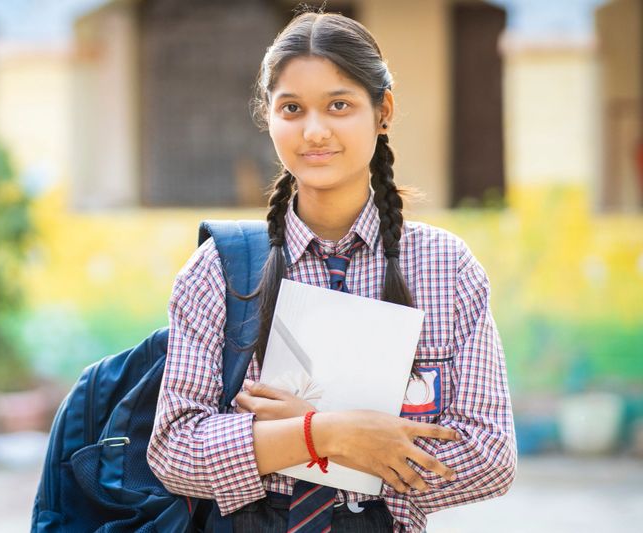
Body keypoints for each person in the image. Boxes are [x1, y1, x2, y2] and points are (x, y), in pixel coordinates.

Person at [147, 9, 516, 533]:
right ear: (268, 116)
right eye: (292, 108)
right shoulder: (219, 270)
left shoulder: (445, 267)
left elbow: (488, 456)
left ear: (382, 111)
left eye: (338, 105)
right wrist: (328, 434)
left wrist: (301, 432)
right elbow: (174, 450)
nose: (314, 130)